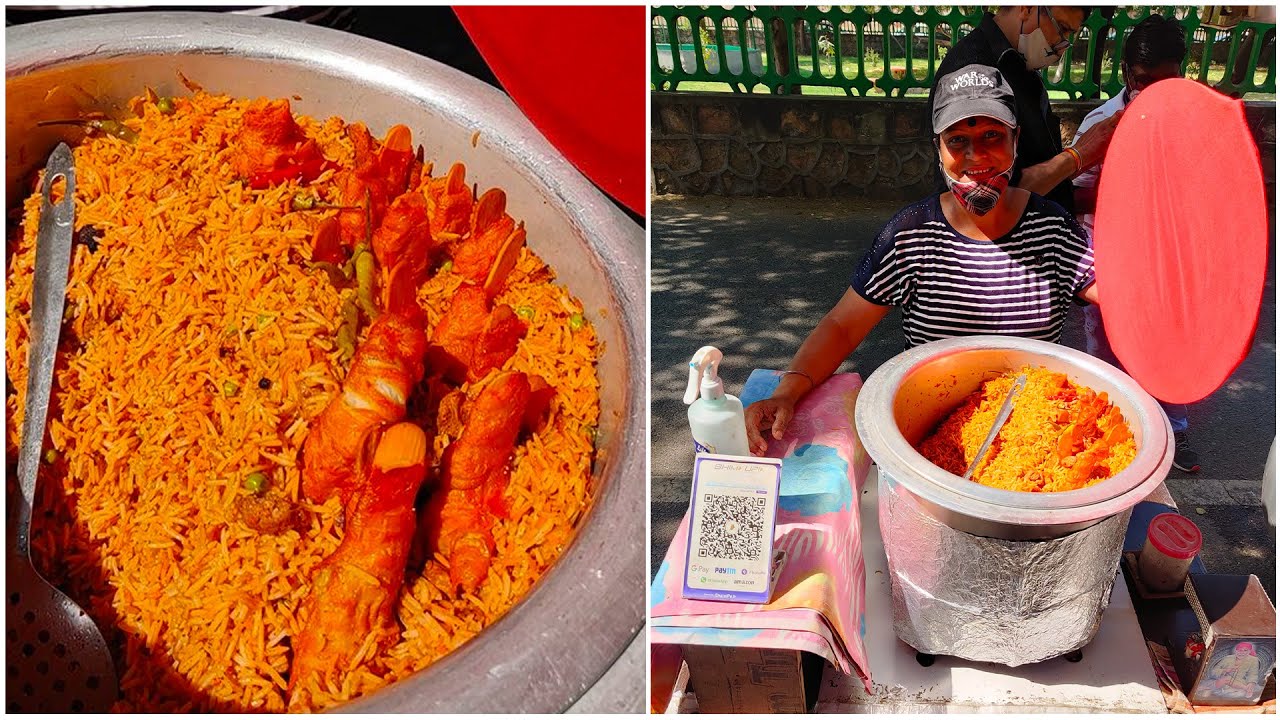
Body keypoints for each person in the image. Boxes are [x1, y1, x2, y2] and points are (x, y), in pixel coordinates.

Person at [745, 64, 1098, 454]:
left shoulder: (1053, 228)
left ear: (1016, 139)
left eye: (992, 136)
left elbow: (1124, 302)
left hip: (1037, 439)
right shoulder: (910, 234)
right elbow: (843, 325)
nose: (975, 155)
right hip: (929, 440)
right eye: (957, 139)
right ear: (938, 148)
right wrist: (787, 392)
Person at [1071, 14, 1200, 472]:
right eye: (1143, 81)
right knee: (1108, 350)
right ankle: (1110, 431)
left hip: (1170, 263)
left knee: (1170, 348)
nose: (1153, 93)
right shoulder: (1102, 122)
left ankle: (1174, 432)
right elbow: (1072, 192)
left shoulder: (1192, 121)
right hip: (1108, 263)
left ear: (1181, 72)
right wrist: (1131, 192)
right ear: (1126, 72)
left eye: (1166, 81)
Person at [929, 6, 1117, 213]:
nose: (1062, 45)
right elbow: (984, 197)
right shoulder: (973, 72)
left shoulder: (1021, 66)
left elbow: (1038, 159)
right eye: (1062, 28)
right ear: (1027, 9)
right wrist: (1078, 155)